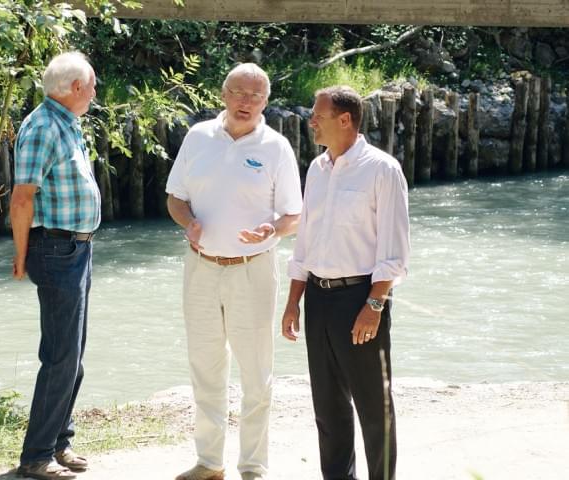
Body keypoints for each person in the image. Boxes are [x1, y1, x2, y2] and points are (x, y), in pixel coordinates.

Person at [166, 63, 303, 480]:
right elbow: (175, 198)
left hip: (253, 270)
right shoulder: (197, 137)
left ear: (266, 101)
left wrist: (273, 228)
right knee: (205, 367)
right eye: (239, 93)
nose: (246, 102)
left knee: (256, 373)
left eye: (256, 96)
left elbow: (293, 215)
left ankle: (253, 467)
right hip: (201, 268)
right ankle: (209, 463)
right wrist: (187, 222)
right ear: (223, 95)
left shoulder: (276, 147)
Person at [281, 85, 410, 480]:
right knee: (328, 408)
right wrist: (292, 302)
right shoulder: (316, 169)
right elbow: (305, 244)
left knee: (374, 408)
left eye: (318, 115)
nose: (311, 121)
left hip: (361, 299)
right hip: (317, 299)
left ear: (345, 120)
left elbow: (394, 251)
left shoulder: (382, 169)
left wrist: (374, 306)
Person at [10, 51, 99, 480]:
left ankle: (59, 441)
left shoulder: (67, 122)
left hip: (77, 248)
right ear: (75, 88)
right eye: (93, 85)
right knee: (60, 355)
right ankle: (36, 455)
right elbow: (22, 196)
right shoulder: (43, 126)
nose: (96, 92)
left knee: (74, 355)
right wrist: (22, 254)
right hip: (56, 249)